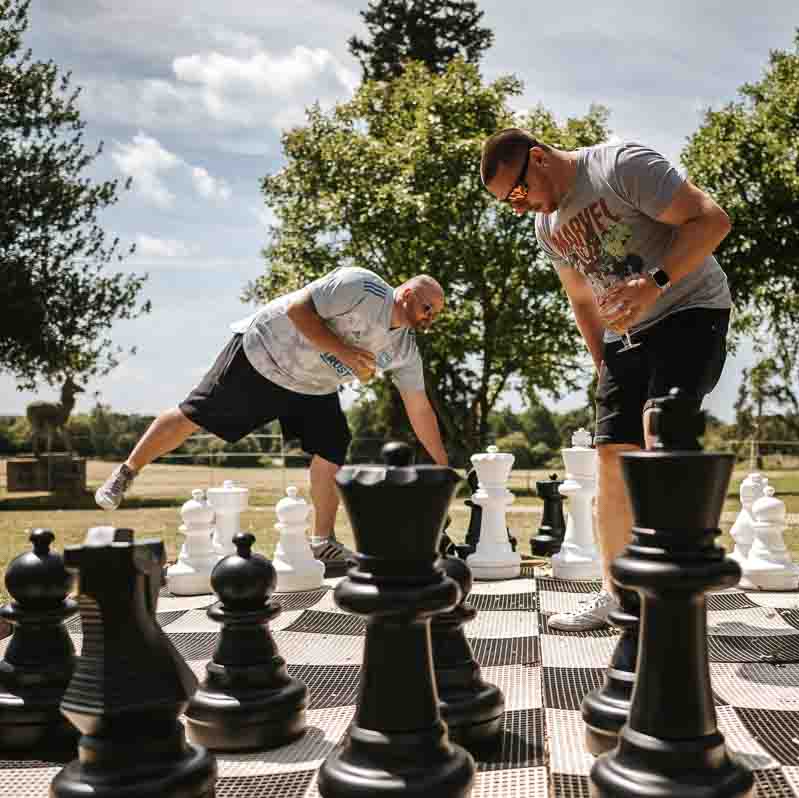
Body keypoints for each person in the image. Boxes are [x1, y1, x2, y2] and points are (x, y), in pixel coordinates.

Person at [480, 129, 733, 630]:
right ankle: (617, 595)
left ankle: (677, 586)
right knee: (611, 455)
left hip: (690, 311)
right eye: (507, 202)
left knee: (661, 436)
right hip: (625, 336)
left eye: (517, 191)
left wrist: (653, 283)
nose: (518, 207)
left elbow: (713, 220)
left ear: (538, 158)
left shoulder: (620, 167)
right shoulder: (547, 227)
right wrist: (603, 365)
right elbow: (581, 299)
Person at [95, 266, 450, 571]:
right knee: (194, 414)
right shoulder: (360, 286)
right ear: (406, 294)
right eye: (427, 307)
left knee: (333, 445)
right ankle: (127, 470)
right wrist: (344, 352)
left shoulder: (404, 350)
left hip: (312, 384)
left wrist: (443, 470)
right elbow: (298, 310)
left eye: (435, 313)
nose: (430, 317)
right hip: (262, 352)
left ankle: (322, 542)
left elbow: (419, 408)